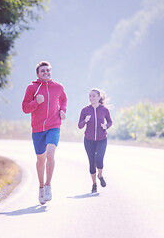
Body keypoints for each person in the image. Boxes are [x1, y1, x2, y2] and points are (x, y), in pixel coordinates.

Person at [22, 61, 67, 205]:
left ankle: (48, 185)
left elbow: (64, 100)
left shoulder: (58, 87)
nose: (46, 73)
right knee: (41, 159)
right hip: (37, 129)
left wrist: (62, 111)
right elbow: (25, 108)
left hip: (54, 126)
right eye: (43, 71)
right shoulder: (32, 88)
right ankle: (41, 187)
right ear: (38, 74)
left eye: (48, 70)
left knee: (50, 154)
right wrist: (36, 102)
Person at [78, 88, 112, 193]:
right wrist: (85, 121)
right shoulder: (85, 110)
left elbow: (110, 121)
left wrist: (106, 126)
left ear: (99, 97)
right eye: (90, 96)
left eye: (93, 96)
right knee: (91, 162)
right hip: (89, 140)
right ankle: (94, 184)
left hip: (102, 139)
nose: (91, 98)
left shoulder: (104, 110)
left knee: (99, 158)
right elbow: (80, 125)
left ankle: (100, 175)